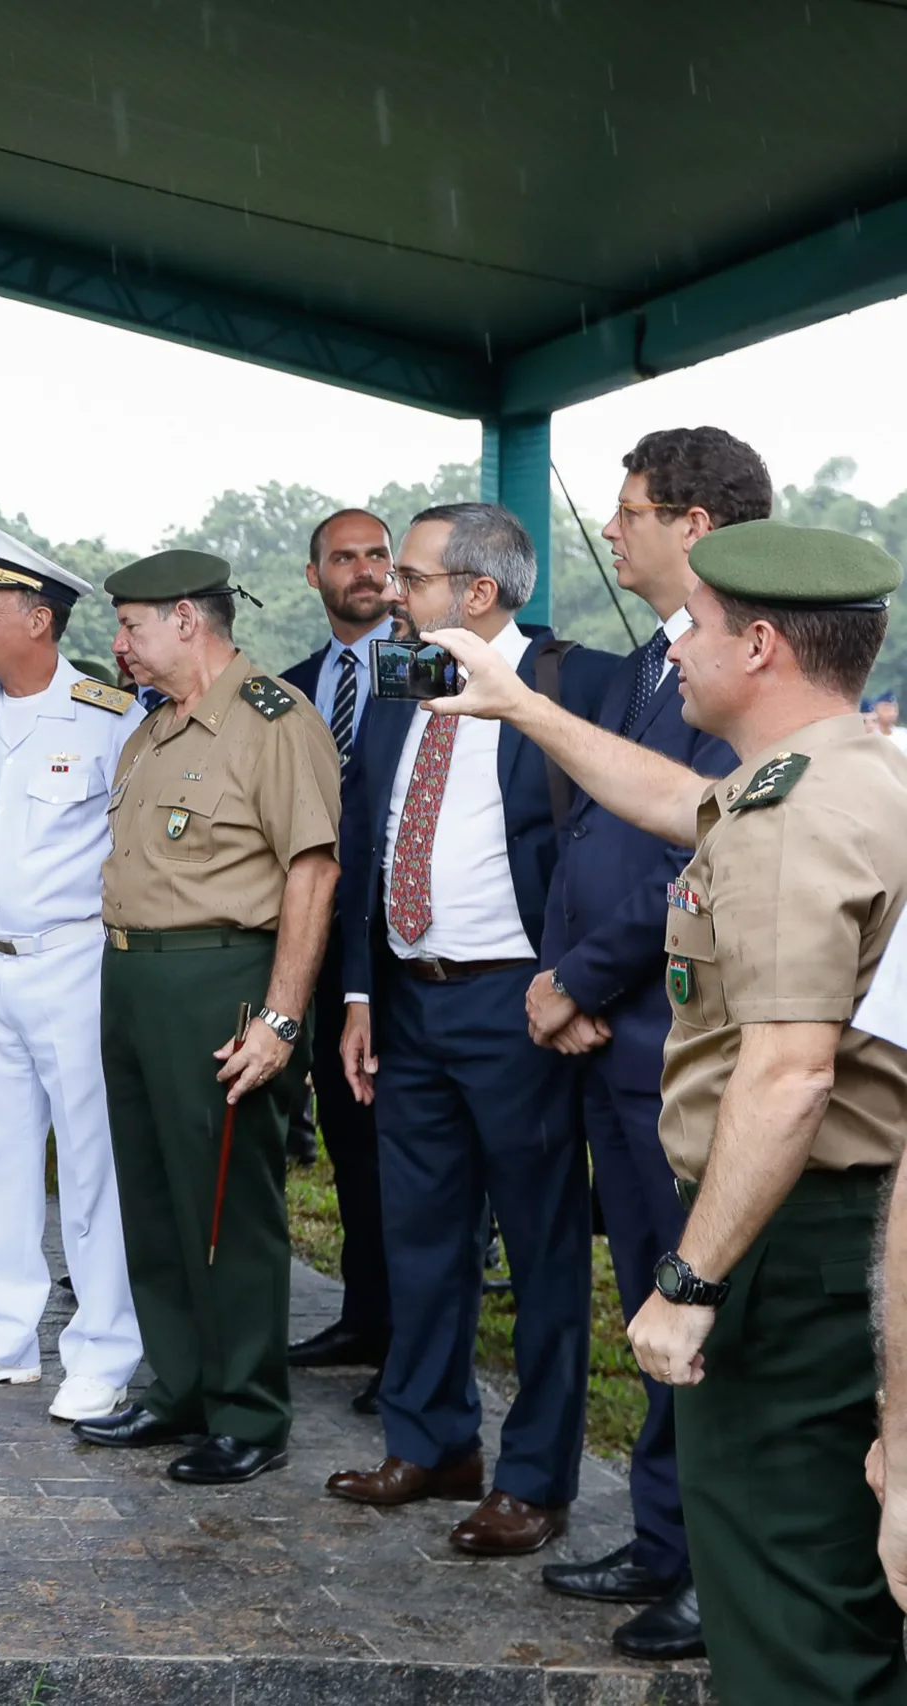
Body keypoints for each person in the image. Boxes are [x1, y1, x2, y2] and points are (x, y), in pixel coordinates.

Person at [424, 520, 907, 1706]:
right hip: (827, 1230)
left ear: (758, 645)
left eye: (692, 623)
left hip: (788, 1246)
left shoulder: (798, 815)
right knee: (830, 1573)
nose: (673, 645)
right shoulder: (835, 773)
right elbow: (682, 801)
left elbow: (789, 1073)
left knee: (784, 1594)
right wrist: (523, 705)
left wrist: (689, 1282)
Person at [324, 504, 614, 1556]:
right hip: (408, 999)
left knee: (539, 1247)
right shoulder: (411, 679)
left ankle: (534, 1477)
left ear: (477, 591)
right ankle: (433, 1441)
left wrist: (576, 981)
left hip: (520, 1005)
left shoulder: (577, 683)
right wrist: (359, 992)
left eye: (410, 573)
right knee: (420, 1235)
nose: (392, 590)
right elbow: (365, 838)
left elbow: (616, 842)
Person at [530, 430, 760, 1659]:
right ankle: (661, 1537)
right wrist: (567, 980)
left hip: (675, 1037)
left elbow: (696, 852)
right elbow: (595, 838)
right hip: (609, 1038)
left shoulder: (742, 672)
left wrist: (578, 974)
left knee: (697, 1301)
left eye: (629, 514)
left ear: (696, 526)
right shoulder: (637, 670)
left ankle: (717, 1573)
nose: (611, 535)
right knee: (645, 1298)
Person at [74, 549, 340, 1486]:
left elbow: (312, 871)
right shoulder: (152, 732)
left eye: (133, 627)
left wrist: (280, 1019)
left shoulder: (273, 722)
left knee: (228, 1209)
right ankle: (180, 1387)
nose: (120, 646)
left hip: (220, 981)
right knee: (153, 1201)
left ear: (188, 620)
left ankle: (248, 1413)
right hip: (135, 979)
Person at [0, 530, 142, 1422]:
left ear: (39, 619)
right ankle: (4, 1335)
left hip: (76, 962)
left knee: (93, 1163)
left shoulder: (110, 719)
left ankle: (102, 1349)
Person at [279, 509, 393, 1406]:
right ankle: (364, 1313)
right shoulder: (290, 689)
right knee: (349, 1141)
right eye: (344, 557)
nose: (363, 570)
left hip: (405, 947)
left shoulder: (432, 670)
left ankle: (411, 1341)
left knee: (405, 1148)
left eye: (377, 556)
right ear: (313, 576)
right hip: (316, 943)